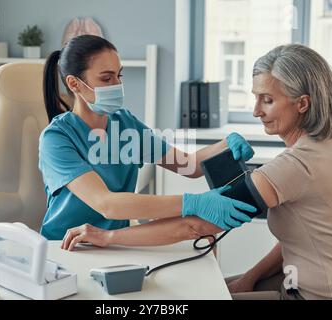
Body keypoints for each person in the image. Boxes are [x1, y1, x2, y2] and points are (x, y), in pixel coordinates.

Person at [62, 44, 332, 300]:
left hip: (316, 295)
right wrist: (249, 278)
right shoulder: (329, 147)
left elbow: (194, 227)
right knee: (208, 288)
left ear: (302, 103)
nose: (256, 111)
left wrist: (108, 235)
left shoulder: (296, 165)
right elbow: (298, 238)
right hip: (311, 284)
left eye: (268, 100)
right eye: (255, 97)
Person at [39, 34, 256, 242]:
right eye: (106, 78)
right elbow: (106, 204)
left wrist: (225, 144)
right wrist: (193, 203)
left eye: (119, 75)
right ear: (75, 84)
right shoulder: (56, 138)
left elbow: (188, 165)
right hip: (64, 245)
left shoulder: (124, 123)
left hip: (109, 244)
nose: (117, 85)